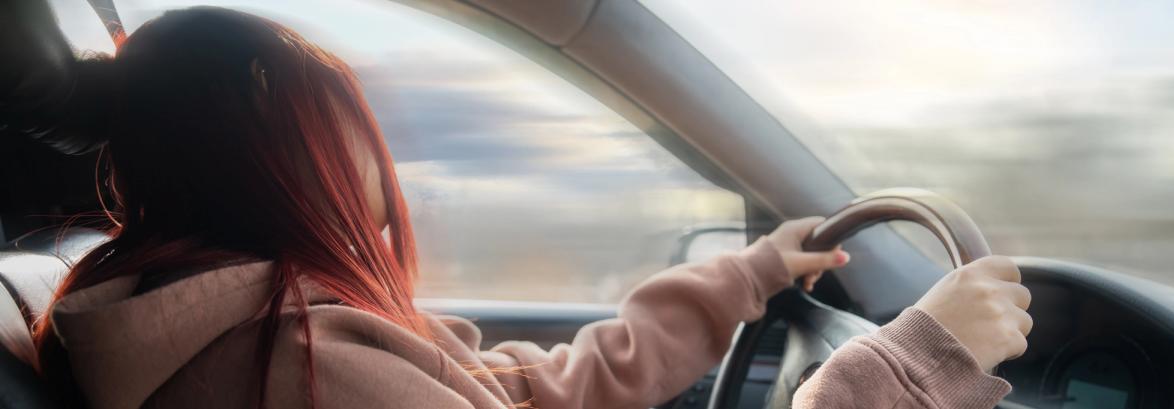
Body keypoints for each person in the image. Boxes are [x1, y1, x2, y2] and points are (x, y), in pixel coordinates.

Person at [4, 5, 1032, 409]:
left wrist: (752, 274)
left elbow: (530, 390)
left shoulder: (264, 330)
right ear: (277, 139)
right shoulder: (301, 371)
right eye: (345, 115)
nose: (378, 149)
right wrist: (907, 369)